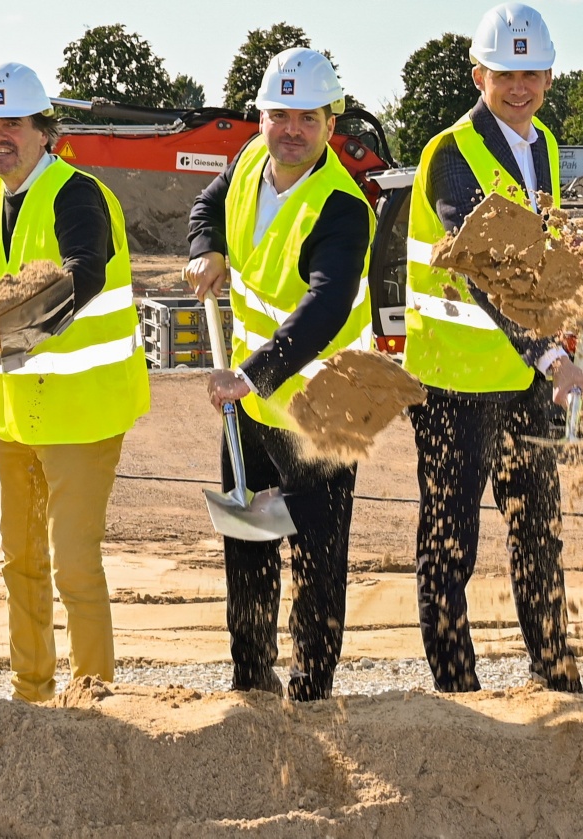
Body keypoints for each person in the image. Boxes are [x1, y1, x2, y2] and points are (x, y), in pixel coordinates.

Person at [401, 2, 583, 693]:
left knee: (538, 526)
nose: (521, 86)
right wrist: (551, 355)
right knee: (450, 539)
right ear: (479, 73)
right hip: (454, 379)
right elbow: (483, 261)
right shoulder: (450, 153)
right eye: (507, 73)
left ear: (549, 75)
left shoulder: (539, 142)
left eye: (533, 73)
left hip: (519, 372)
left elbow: (533, 253)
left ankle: (554, 670)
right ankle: (456, 690)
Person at [0, 61, 149, 702]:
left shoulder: (78, 194)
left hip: (84, 412)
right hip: (15, 414)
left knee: (73, 566)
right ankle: (30, 691)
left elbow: (81, 274)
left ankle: (92, 696)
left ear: (45, 132)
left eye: (12, 123)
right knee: (22, 564)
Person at [185, 47, 373, 701]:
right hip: (255, 407)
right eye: (278, 115)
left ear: (330, 123)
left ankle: (313, 687)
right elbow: (204, 210)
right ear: (259, 118)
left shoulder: (343, 207)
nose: (290, 129)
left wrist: (252, 373)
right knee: (248, 540)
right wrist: (206, 249)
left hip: (322, 407)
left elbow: (324, 307)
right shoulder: (245, 167)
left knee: (317, 556)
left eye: (306, 117)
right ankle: (251, 678)